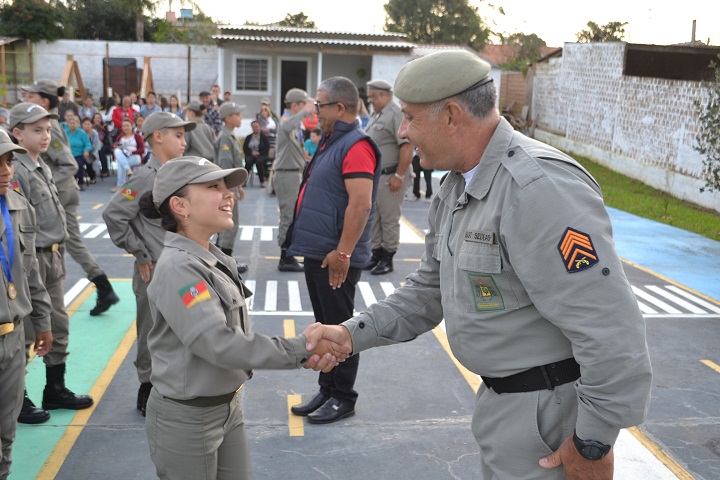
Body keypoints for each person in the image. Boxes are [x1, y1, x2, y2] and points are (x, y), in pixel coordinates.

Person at [304, 50, 653, 479]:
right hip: (505, 407)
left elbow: (609, 324)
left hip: (551, 420)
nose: (403, 131)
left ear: (451, 115)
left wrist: (593, 442)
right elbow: (429, 289)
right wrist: (349, 334)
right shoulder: (457, 186)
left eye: (411, 118)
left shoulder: (537, 187)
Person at [138, 156, 345, 480]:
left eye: (226, 186)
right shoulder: (180, 267)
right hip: (188, 420)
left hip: (226, 407)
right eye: (213, 187)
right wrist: (301, 348)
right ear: (180, 205)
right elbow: (218, 343)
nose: (228, 194)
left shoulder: (211, 257)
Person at [287, 77, 381, 424]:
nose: (316, 112)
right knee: (325, 325)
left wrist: (342, 254)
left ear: (339, 108)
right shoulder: (333, 141)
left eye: (320, 105)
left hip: (334, 257)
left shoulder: (356, 145)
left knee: (341, 329)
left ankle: (344, 396)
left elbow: (360, 205)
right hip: (320, 253)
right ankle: (328, 389)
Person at [103, 111, 196, 416]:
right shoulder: (146, 177)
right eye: (178, 135)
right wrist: (140, 253)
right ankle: (148, 386)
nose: (184, 141)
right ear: (159, 136)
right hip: (154, 269)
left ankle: (175, 384)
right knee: (151, 331)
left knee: (182, 328)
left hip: (181, 267)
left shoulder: (178, 174)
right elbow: (114, 215)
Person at [9, 102, 95, 422]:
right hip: (31, 261)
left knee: (58, 326)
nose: (46, 136)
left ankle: (54, 388)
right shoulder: (16, 170)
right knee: (28, 332)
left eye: (47, 130)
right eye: (36, 130)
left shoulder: (40, 164)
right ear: (16, 133)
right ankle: (17, 397)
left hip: (52, 257)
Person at [20, 79, 119, 317]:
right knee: (64, 243)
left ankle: (99, 288)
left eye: (32, 96)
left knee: (57, 243)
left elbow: (68, 164)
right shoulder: (47, 124)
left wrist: (45, 184)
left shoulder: (48, 128)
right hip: (58, 193)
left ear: (45, 100)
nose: (26, 98)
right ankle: (100, 287)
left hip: (58, 194)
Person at [0, 129, 53, 479]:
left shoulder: (19, 206)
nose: (7, 169)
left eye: (8, 160)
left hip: (13, 337)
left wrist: (43, 321)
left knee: (6, 432)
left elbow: (31, 273)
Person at [363, 79, 413, 275]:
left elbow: (407, 146)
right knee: (374, 217)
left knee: (389, 218)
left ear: (383, 95)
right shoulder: (378, 115)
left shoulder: (395, 113)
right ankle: (376, 254)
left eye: (372, 98)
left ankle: (387, 257)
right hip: (378, 177)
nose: (370, 102)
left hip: (391, 175)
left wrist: (399, 175)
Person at [274, 88, 314, 272]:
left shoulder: (295, 124)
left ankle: (289, 252)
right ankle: (286, 256)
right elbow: (286, 127)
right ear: (296, 105)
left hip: (294, 172)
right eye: (304, 105)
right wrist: (307, 111)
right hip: (286, 174)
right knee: (288, 215)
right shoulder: (286, 121)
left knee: (293, 215)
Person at [213, 102, 247, 271]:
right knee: (229, 225)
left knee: (227, 224)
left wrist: (238, 186)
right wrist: (229, 189)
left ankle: (223, 260)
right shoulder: (225, 137)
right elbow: (225, 165)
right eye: (237, 115)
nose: (240, 118)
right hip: (227, 187)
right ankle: (225, 263)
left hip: (230, 186)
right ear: (228, 118)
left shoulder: (229, 135)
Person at [111, 119, 145, 192]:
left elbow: (142, 150)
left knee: (121, 163)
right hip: (124, 156)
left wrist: (131, 152)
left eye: (127, 126)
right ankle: (127, 170)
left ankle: (120, 185)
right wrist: (118, 146)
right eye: (124, 126)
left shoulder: (137, 136)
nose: (126, 128)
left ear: (131, 127)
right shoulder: (120, 137)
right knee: (117, 151)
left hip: (135, 156)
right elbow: (114, 146)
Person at [62, 114, 94, 190]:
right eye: (70, 123)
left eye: (74, 123)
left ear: (77, 124)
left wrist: (86, 151)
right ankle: (70, 183)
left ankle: (81, 183)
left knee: (79, 164)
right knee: (66, 165)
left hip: (80, 154)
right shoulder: (66, 133)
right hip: (69, 154)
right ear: (68, 124)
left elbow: (87, 144)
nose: (72, 124)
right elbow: (63, 144)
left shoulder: (82, 133)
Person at [242, 120, 270, 187]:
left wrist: (259, 153)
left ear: (259, 127)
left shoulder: (264, 137)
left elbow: (267, 148)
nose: (255, 128)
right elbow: (245, 148)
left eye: (256, 126)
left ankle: (262, 181)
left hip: (261, 155)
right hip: (251, 154)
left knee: (259, 162)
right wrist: (251, 153)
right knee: (248, 162)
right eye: (253, 127)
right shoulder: (248, 137)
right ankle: (243, 180)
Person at [92, 112, 112, 177]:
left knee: (101, 151)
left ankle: (105, 171)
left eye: (99, 118)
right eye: (96, 118)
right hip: (94, 145)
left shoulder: (104, 126)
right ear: (93, 119)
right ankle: (92, 171)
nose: (97, 119)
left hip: (105, 144)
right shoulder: (90, 126)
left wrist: (102, 142)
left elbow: (107, 137)